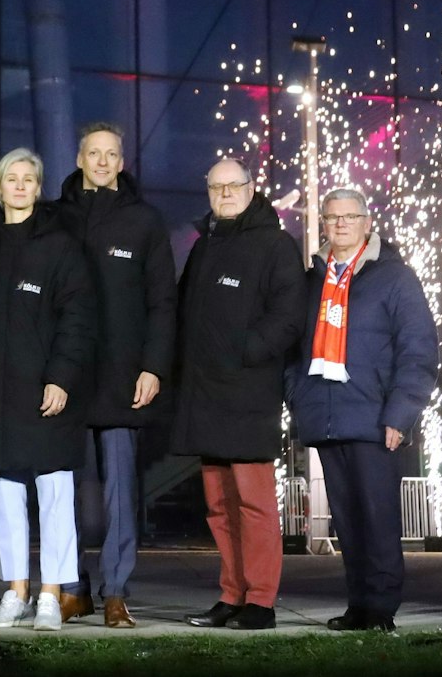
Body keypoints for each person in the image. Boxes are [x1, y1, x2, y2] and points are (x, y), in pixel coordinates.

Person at [288, 188, 439, 632]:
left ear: (366, 222)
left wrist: (401, 413)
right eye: (332, 218)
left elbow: (419, 350)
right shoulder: (311, 279)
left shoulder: (394, 278)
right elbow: (294, 350)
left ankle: (381, 608)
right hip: (326, 416)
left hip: (374, 418)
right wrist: (297, 397)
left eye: (349, 217)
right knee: (348, 522)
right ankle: (358, 604)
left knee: (378, 518)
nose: (340, 225)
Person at [171, 158, 305, 632]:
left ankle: (262, 601)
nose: (224, 194)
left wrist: (244, 352)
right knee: (218, 506)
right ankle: (232, 594)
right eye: (216, 187)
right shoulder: (206, 245)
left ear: (252, 189)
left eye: (233, 186)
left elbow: (289, 317)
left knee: (254, 504)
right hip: (206, 395)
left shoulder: (275, 244)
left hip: (248, 395)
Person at [54, 123, 175, 629]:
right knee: (64, 489)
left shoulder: (144, 221)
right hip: (65, 378)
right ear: (80, 159)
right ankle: (72, 588)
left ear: (121, 163)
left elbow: (162, 303)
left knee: (119, 493)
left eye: (111, 155)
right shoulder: (53, 218)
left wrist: (152, 367)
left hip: (125, 377)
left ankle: (115, 593)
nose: (103, 162)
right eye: (94, 154)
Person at [0, 148, 96, 632]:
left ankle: (51, 594)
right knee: (5, 494)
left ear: (38, 187)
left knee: (54, 492)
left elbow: (78, 318)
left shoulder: (60, 246)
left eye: (29, 179)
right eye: (12, 178)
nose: (21, 186)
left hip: (49, 390)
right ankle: (15, 591)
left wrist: (61, 378)